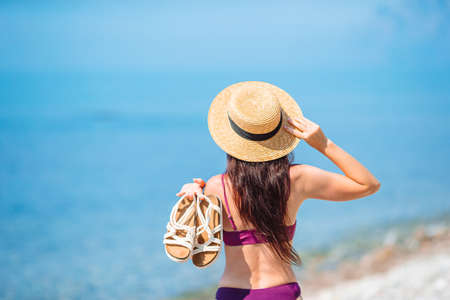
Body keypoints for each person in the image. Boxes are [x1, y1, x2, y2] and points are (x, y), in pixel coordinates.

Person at [176, 81, 381, 300]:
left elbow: (195, 249)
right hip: (280, 292)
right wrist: (323, 144)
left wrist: (194, 195)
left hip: (233, 293)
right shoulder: (297, 178)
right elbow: (368, 184)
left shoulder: (216, 187)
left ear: (232, 139)